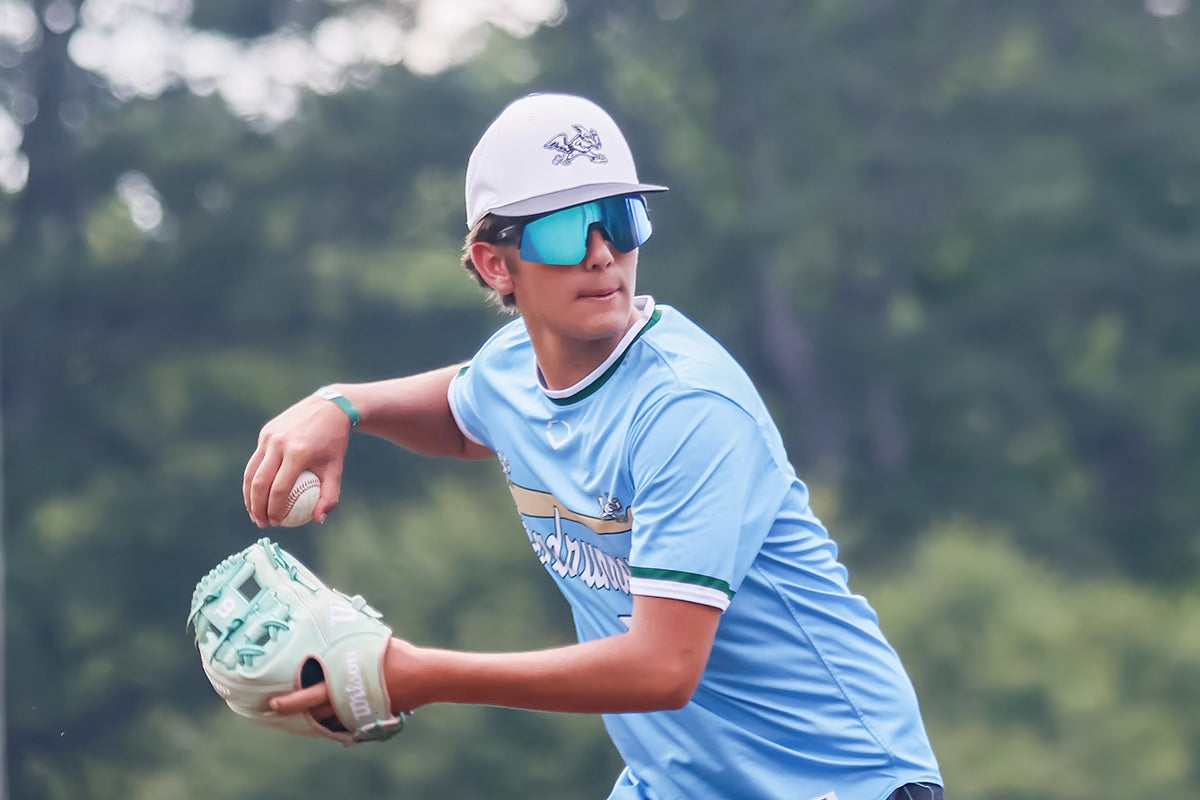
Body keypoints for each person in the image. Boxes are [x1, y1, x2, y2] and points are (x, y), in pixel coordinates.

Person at [243, 92, 943, 800]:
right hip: (680, 784)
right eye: (566, 231)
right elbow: (464, 416)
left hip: (837, 779)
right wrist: (342, 404)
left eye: (619, 218)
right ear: (494, 264)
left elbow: (662, 669)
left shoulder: (686, 406)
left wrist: (420, 674)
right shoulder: (514, 369)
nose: (603, 253)